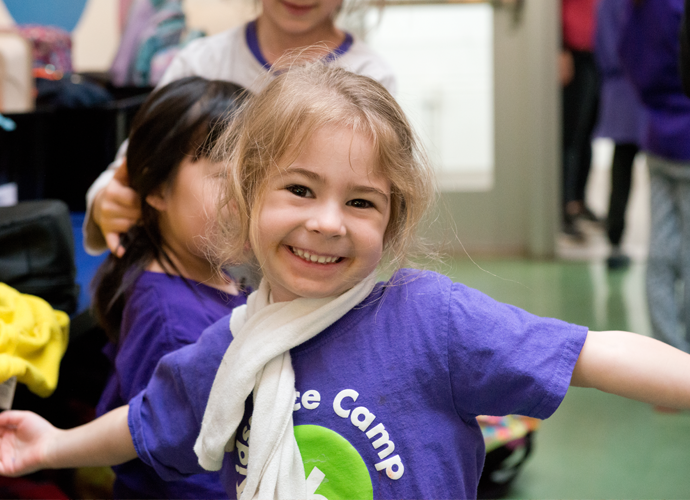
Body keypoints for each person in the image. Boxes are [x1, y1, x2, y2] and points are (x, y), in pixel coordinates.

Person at [2, 63, 690, 500]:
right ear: (247, 199)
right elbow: (152, 418)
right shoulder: (239, 338)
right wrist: (54, 446)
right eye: (300, 189)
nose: (327, 222)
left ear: (391, 222)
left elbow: (592, 354)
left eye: (361, 202)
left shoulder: (431, 318)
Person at [83, 0, 395, 258]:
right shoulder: (200, 61)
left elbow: (371, 202)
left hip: (314, 278)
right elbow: (134, 164)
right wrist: (106, 200)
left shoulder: (371, 77)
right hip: (208, 280)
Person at [91, 76, 250, 498]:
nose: (246, 192)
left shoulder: (217, 275)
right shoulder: (170, 323)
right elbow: (186, 476)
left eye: (255, 172)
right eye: (223, 175)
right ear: (158, 189)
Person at [619, 0, 690, 408]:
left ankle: (669, 368)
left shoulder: (636, 7)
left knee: (661, 249)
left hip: (658, 133)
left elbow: (626, 54)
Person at [592, 0, 644, 269]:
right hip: (634, 93)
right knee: (625, 169)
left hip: (631, 93)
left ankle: (615, 240)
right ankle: (615, 239)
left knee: (623, 170)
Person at [561, 0, 601, 239]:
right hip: (573, 55)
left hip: (596, 54)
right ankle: (565, 206)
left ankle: (579, 200)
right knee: (571, 137)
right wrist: (560, 48)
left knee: (587, 134)